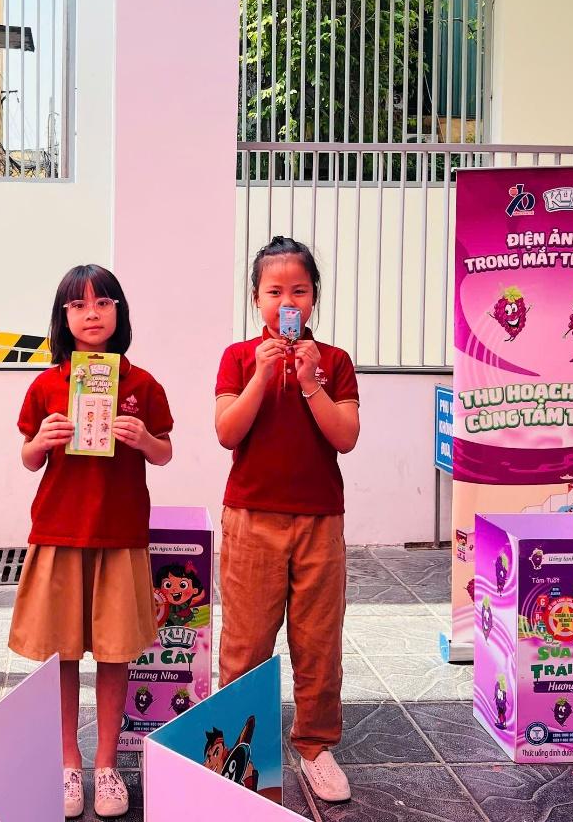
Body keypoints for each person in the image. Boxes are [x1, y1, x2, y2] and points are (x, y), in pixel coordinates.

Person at [8, 265, 174, 818]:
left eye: (104, 303)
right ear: (64, 318)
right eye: (79, 306)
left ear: (120, 312)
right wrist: (42, 440)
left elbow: (165, 451)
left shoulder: (142, 383)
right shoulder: (47, 382)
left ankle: (106, 765)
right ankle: (66, 762)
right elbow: (29, 458)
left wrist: (144, 438)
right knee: (62, 653)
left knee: (114, 650)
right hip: (58, 530)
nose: (93, 314)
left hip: (121, 534)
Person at [214, 236, 360, 804]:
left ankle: (316, 747)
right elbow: (227, 431)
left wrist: (309, 382)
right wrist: (260, 374)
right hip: (251, 516)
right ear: (256, 298)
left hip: (320, 519)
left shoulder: (335, 361)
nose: (286, 300)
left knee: (318, 639)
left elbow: (344, 436)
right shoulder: (237, 355)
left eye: (298, 289)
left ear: (314, 297)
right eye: (274, 291)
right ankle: (235, 747)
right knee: (246, 640)